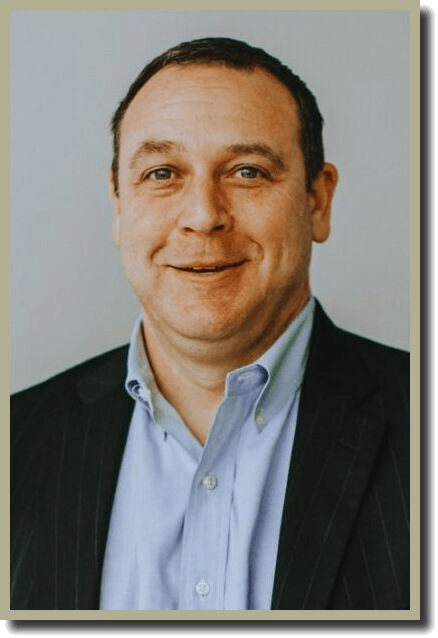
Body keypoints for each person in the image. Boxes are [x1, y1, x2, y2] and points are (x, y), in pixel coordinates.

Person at [11, 37, 410, 611]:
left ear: (317, 202)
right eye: (162, 173)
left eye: (248, 171)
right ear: (119, 205)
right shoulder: (16, 444)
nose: (202, 215)